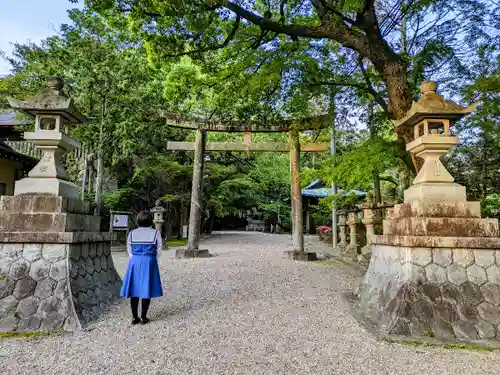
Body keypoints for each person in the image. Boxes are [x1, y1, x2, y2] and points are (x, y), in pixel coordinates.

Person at [120, 210, 163, 325]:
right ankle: (144, 317)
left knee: (134, 289)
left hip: (135, 261)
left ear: (138, 221)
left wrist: (134, 258)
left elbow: (129, 249)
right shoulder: (155, 233)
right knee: (146, 288)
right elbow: (159, 249)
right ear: (151, 221)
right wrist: (152, 259)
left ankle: (134, 317)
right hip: (149, 260)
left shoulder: (132, 233)